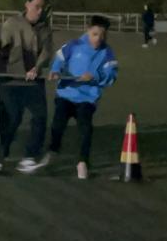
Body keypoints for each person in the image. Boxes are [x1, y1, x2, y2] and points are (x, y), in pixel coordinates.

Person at [48, 16, 118, 180]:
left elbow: (111, 75)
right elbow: (59, 59)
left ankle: (82, 162)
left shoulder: (107, 52)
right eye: (95, 34)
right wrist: (55, 70)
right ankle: (52, 152)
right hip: (66, 94)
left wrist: (95, 76)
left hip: (87, 99)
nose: (98, 39)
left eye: (102, 35)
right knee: (57, 124)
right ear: (88, 31)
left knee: (85, 130)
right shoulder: (74, 45)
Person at [0, 0, 53, 174]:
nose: (40, 11)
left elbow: (46, 52)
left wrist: (37, 67)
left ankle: (29, 157)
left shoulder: (45, 28)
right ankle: (0, 153)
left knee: (40, 118)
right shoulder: (11, 24)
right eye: (36, 6)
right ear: (27, 5)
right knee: (12, 119)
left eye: (43, 7)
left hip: (34, 81)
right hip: (11, 81)